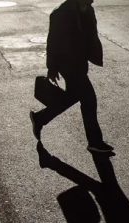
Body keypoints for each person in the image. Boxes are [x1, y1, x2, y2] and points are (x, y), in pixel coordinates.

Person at [30, 0, 114, 154]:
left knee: (73, 96)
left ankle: (40, 118)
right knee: (89, 100)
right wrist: (52, 67)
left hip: (79, 63)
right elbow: (53, 41)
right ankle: (95, 142)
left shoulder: (86, 9)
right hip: (68, 64)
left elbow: (90, 35)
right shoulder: (60, 13)